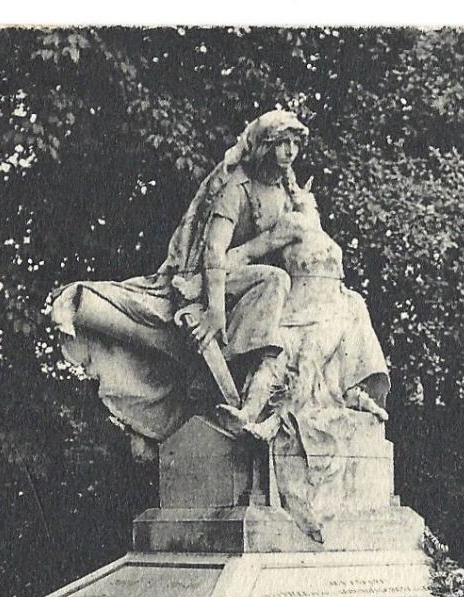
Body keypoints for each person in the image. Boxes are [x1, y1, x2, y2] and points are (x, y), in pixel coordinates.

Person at [49, 109, 319, 444]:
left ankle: (246, 385)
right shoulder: (236, 187)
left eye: (295, 143)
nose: (290, 151)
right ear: (265, 145)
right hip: (209, 279)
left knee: (279, 287)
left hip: (246, 284)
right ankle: (78, 298)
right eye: (282, 142)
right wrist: (215, 311)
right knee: (273, 281)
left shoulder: (285, 193)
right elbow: (213, 251)